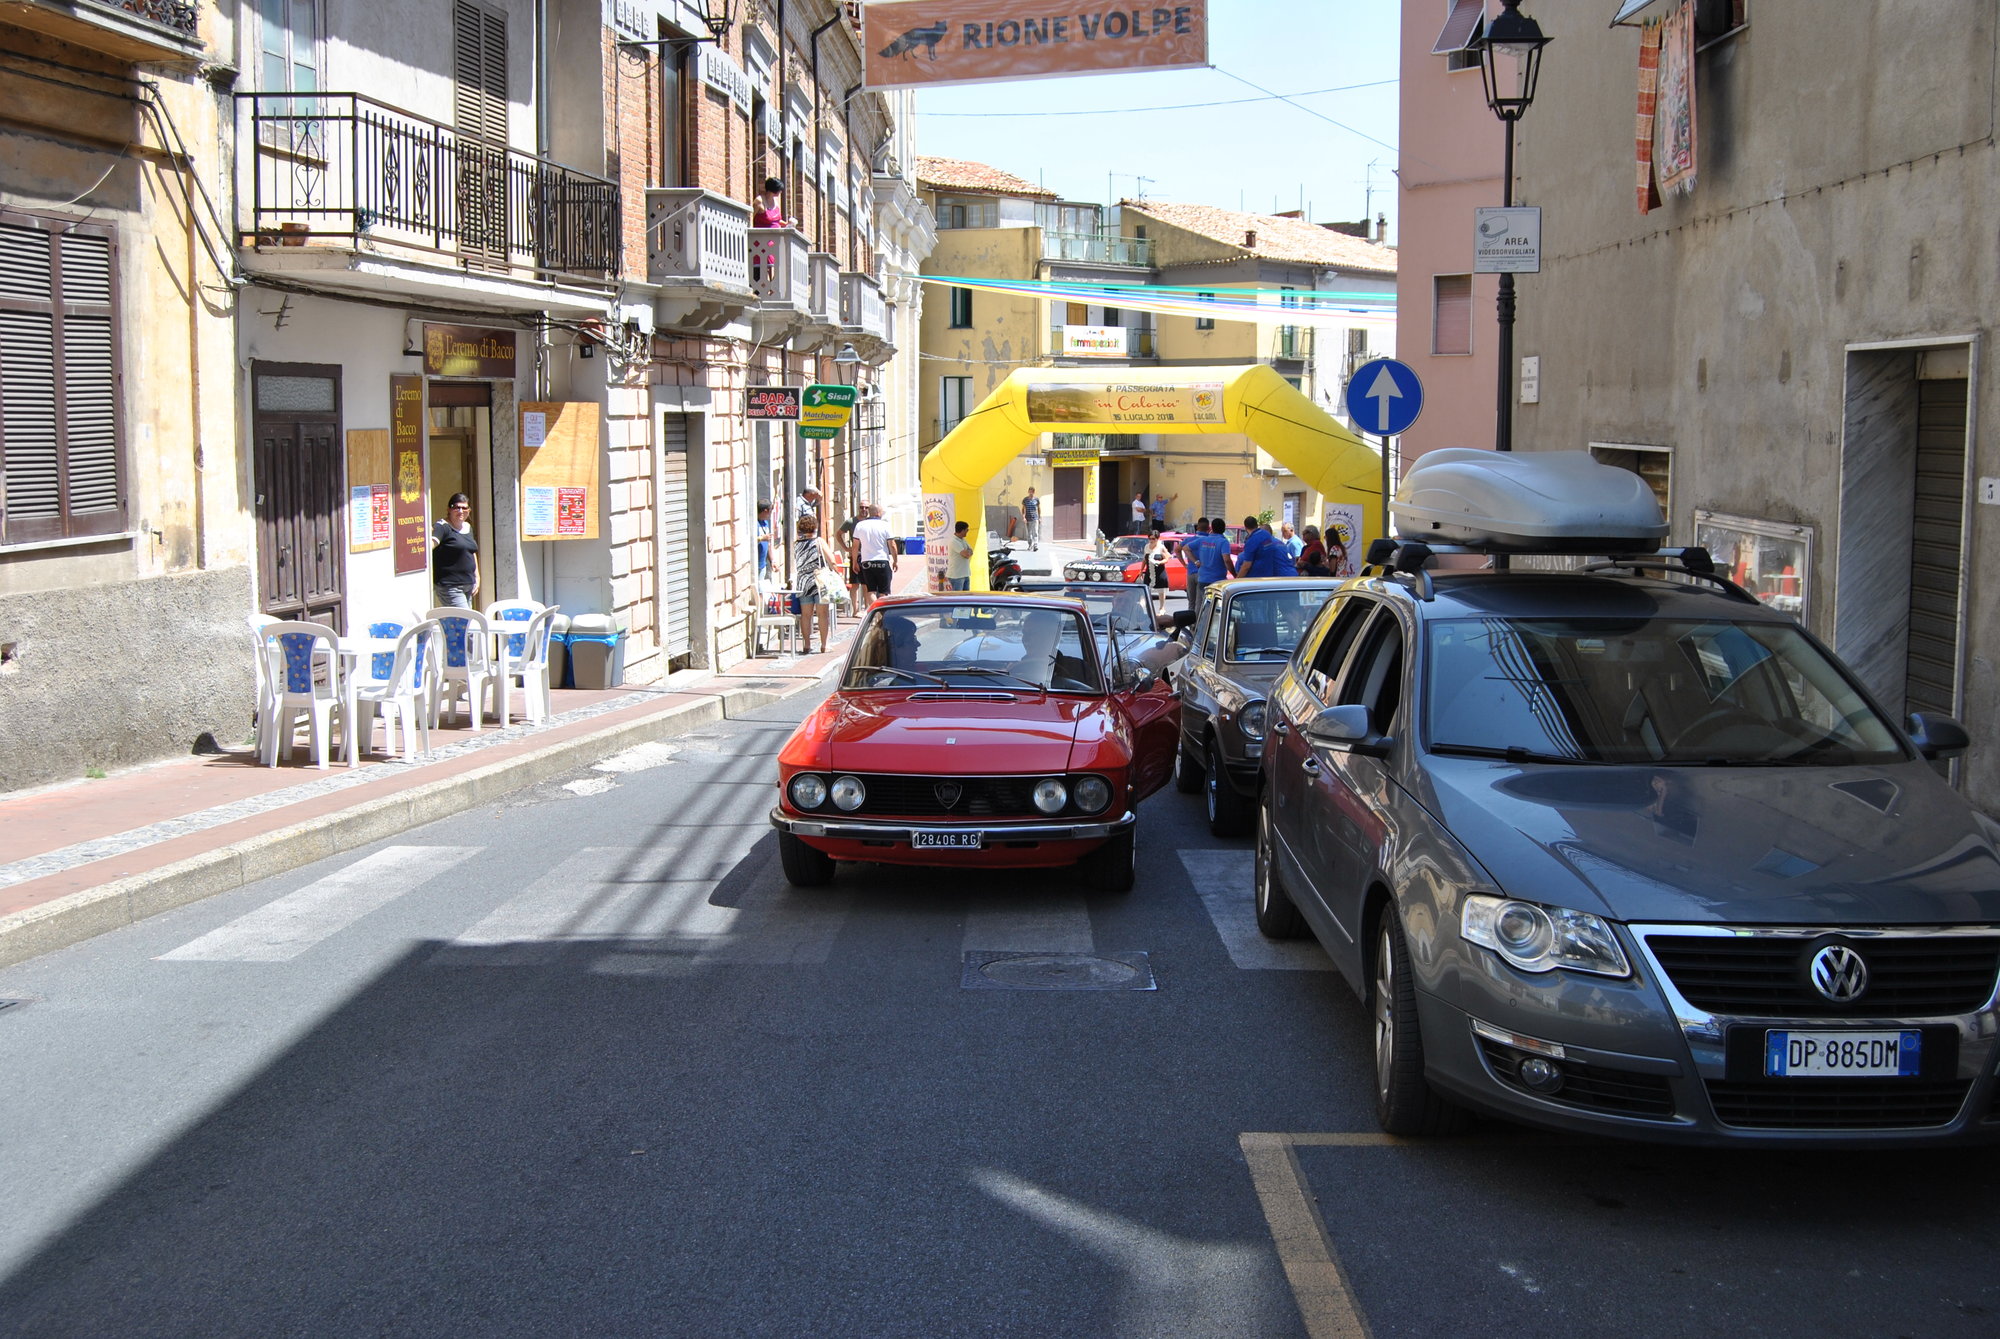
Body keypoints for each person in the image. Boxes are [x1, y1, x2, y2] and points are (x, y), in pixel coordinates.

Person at [793, 515, 840, 654]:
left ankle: (807, 645)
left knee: (806, 615)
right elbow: (832, 561)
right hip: (819, 581)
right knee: (822, 614)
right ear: (815, 527)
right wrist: (838, 574)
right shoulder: (818, 541)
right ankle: (824, 645)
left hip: (803, 582)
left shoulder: (796, 544)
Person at [1009, 609, 1088, 689]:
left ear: (1052, 638)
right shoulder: (1014, 670)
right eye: (1024, 633)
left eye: (1033, 633)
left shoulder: (1079, 668)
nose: (1025, 639)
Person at [431, 492, 479, 609]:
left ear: (469, 510)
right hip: (450, 586)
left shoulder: (467, 527)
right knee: (465, 618)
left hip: (468, 584)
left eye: (464, 508)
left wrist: (477, 577)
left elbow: (471, 552)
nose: (461, 511)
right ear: (449, 509)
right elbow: (430, 545)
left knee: (462, 618)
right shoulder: (442, 527)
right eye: (456, 507)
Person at [854, 502, 895, 605]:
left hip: (866, 562)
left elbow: (855, 546)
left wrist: (854, 562)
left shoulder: (860, 525)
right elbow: (892, 545)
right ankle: (881, 612)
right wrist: (895, 560)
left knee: (870, 591)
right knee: (883, 592)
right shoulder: (885, 525)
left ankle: (875, 611)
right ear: (878, 513)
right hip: (882, 560)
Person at [1143, 522, 1170, 592]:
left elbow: (1166, 559)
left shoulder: (1161, 547)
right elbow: (1144, 560)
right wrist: (1141, 571)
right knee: (1146, 591)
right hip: (1149, 573)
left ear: (1157, 539)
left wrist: (1158, 562)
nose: (1151, 540)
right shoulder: (1146, 547)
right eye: (1149, 538)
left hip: (1159, 572)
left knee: (1161, 592)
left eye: (1153, 539)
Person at [947, 520, 974, 591]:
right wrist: (968, 552)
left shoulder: (963, 540)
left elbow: (971, 551)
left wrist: (968, 552)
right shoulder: (954, 541)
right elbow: (966, 554)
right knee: (958, 596)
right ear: (962, 530)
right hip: (957, 575)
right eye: (967, 530)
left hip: (965, 574)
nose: (967, 531)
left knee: (966, 596)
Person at [756, 501, 772, 584]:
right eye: (770, 511)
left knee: (762, 588)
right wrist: (761, 538)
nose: (770, 514)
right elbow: (749, 541)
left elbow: (768, 544)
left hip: (763, 564)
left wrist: (772, 561)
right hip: (755, 565)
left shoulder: (765, 523)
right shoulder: (755, 524)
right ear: (765, 511)